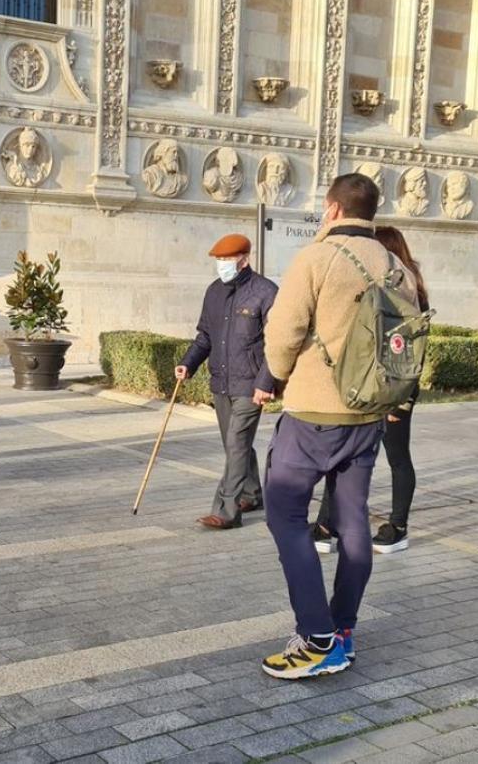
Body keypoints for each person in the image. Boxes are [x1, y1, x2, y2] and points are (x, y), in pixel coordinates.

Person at [259, 173, 416, 680]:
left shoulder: (316, 258)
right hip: (368, 413)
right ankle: (343, 630)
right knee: (352, 523)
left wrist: (272, 378)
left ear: (331, 209)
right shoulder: (397, 267)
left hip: (313, 412)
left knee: (284, 515)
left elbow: (284, 333)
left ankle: (316, 638)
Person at [313, 226, 430, 555]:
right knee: (343, 454)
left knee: (396, 457)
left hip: (394, 387)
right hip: (364, 384)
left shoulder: (406, 293)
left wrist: (401, 400)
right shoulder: (377, 289)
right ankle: (325, 525)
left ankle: (398, 527)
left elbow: (408, 350)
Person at [176, 234, 279, 530]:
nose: (222, 265)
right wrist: (188, 363)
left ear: (244, 259)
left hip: (251, 384)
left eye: (227, 260)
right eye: (218, 261)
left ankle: (226, 511)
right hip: (221, 382)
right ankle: (251, 492)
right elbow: (205, 336)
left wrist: (266, 382)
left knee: (236, 442)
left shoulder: (266, 292)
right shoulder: (213, 292)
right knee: (233, 442)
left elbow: (276, 343)